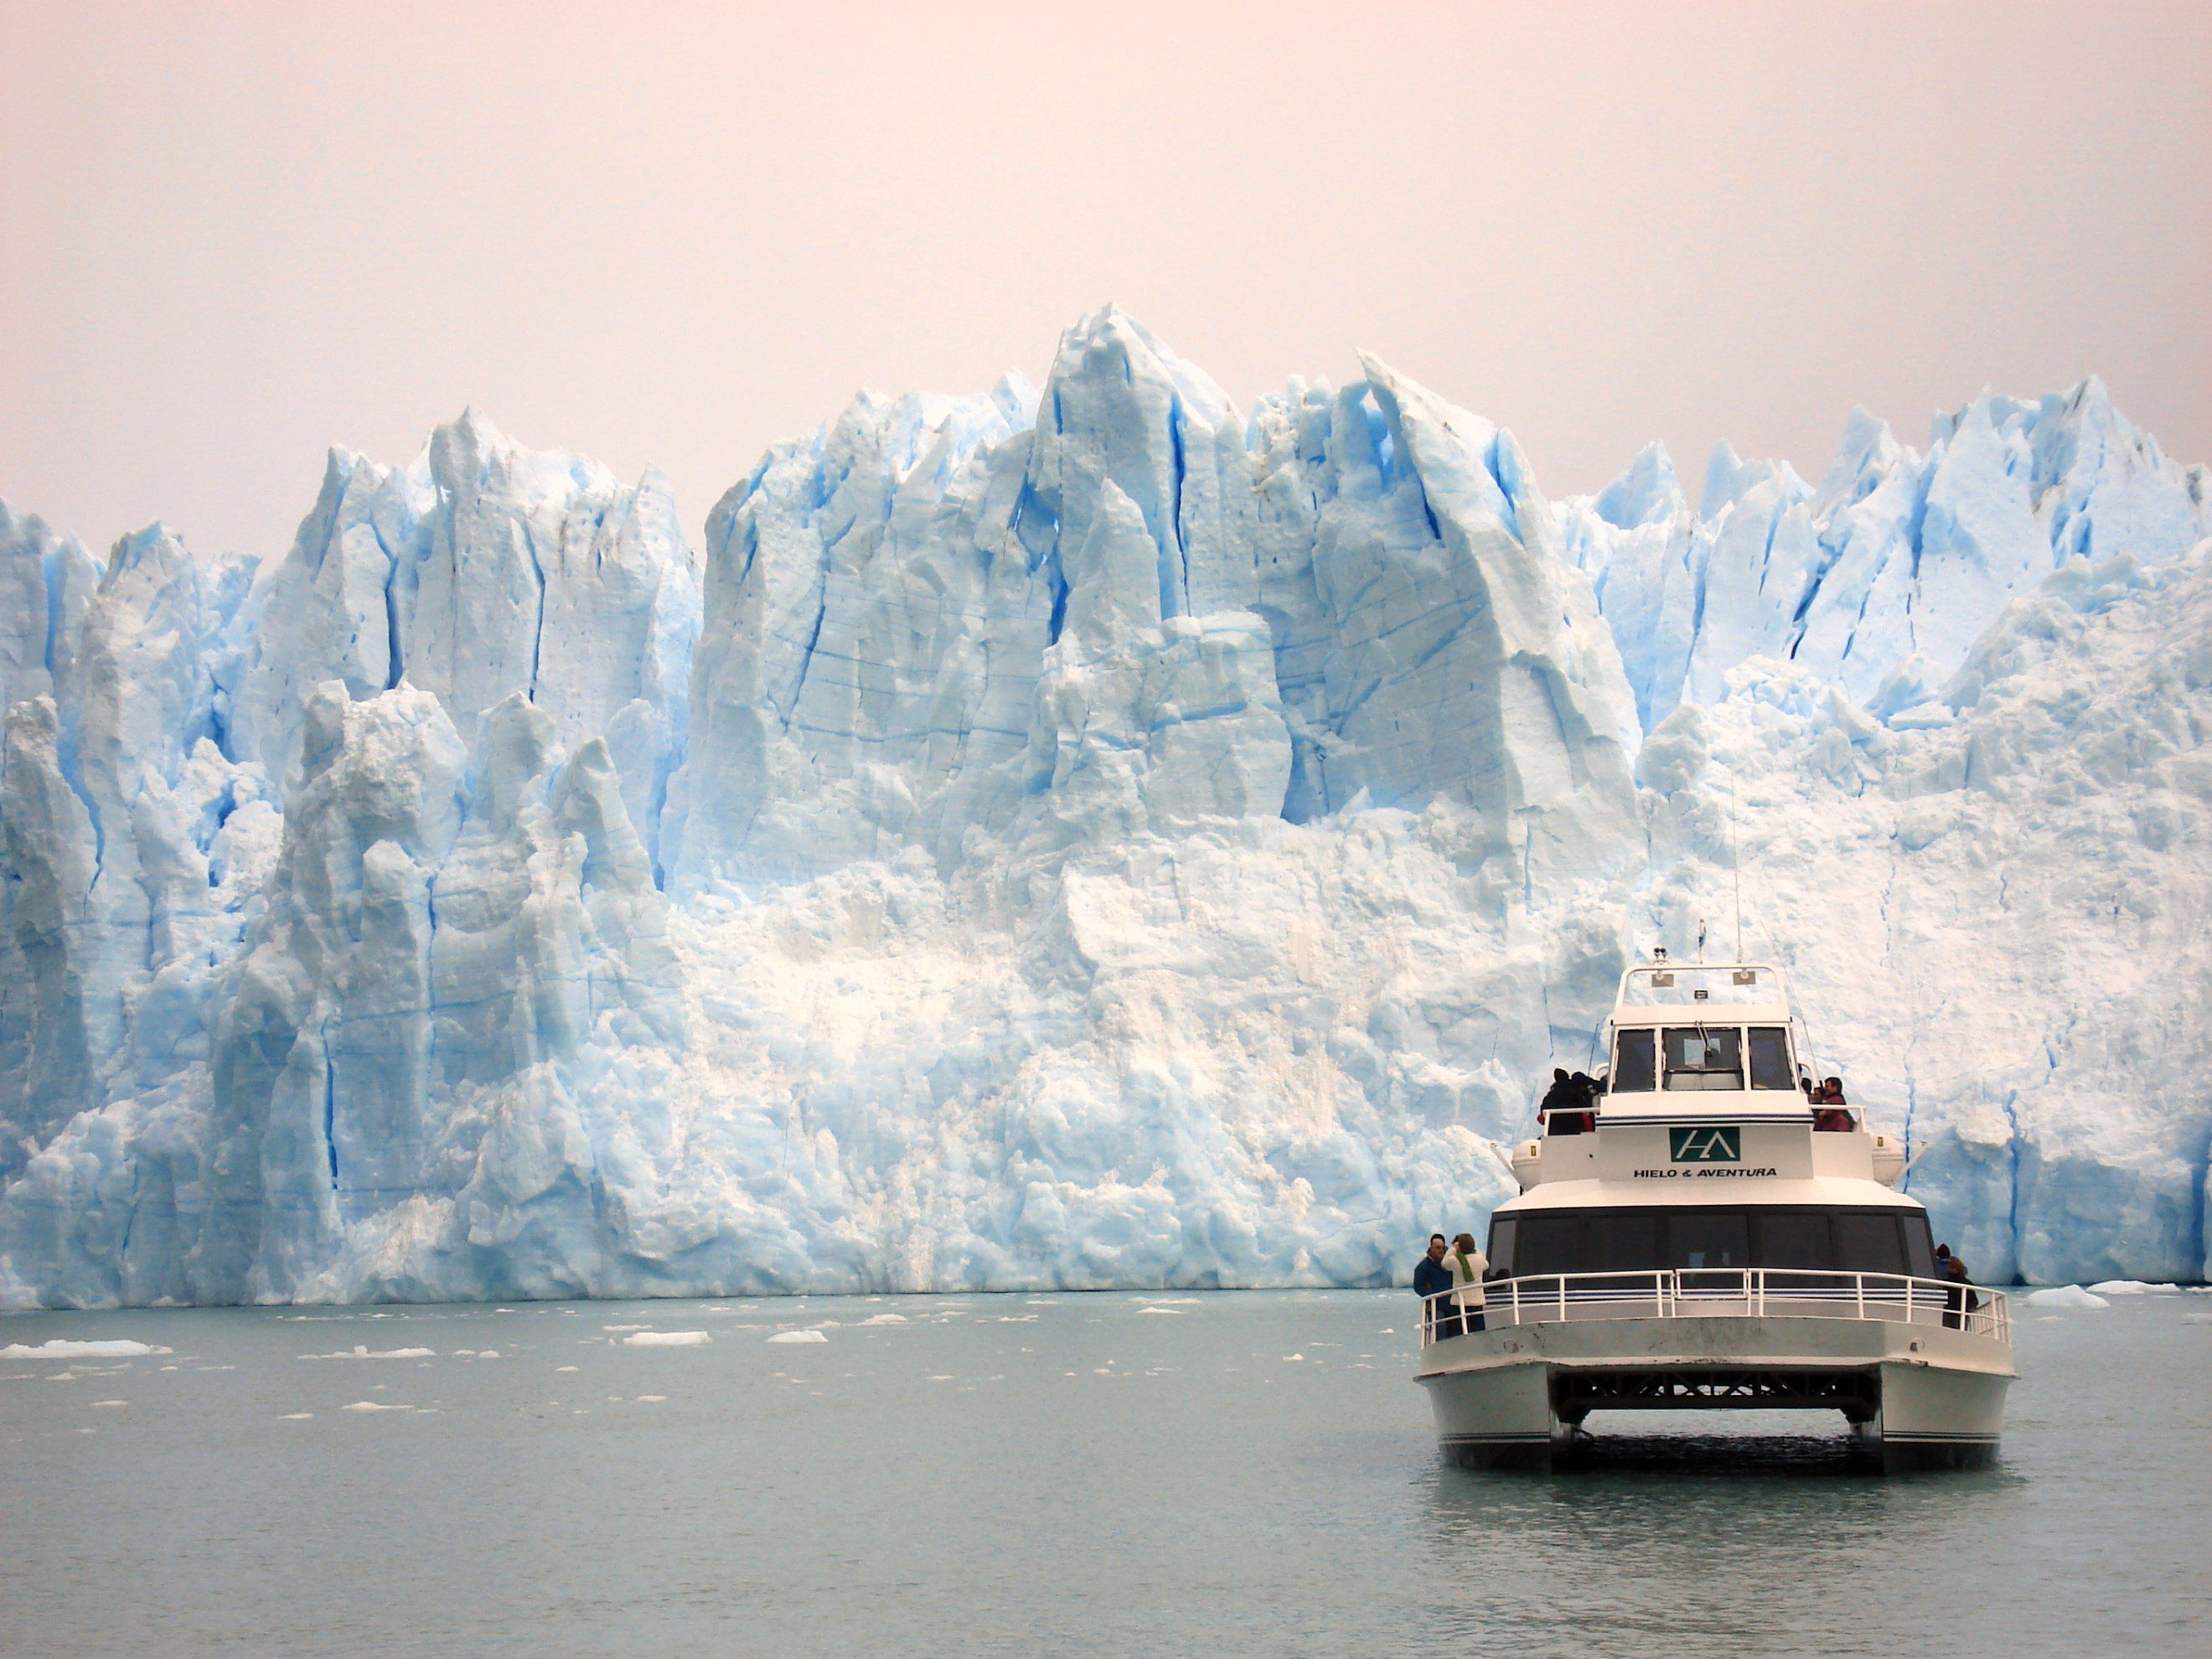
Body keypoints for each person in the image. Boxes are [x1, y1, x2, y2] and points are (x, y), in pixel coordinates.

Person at [1414, 1233, 1460, 1339]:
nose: (1441, 1250)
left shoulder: (1449, 1263)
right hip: (1436, 1306)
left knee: (1455, 1335)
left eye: (1443, 1248)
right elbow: (1418, 1286)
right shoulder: (1424, 1266)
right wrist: (1432, 1295)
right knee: (1441, 1334)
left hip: (1452, 1304)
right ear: (1431, 1248)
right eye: (1438, 1248)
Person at [1449, 1232, 1489, 1334]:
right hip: (1477, 1302)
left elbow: (1444, 1263)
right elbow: (1486, 1265)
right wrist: (1475, 1249)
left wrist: (1453, 1249)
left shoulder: (1454, 1260)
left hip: (1459, 1303)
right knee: (1479, 1332)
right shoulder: (1480, 1260)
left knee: (1461, 1332)